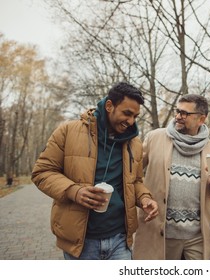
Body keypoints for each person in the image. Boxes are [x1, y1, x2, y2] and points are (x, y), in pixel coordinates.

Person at [31, 82, 159, 260]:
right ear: (109, 106)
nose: (131, 121)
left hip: (120, 240)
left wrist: (145, 198)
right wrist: (74, 191)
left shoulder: (134, 143)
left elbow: (135, 181)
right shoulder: (68, 131)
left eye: (135, 116)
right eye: (127, 113)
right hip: (81, 242)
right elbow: (42, 172)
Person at [133, 94, 210, 260]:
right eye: (177, 111)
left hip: (197, 236)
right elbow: (133, 173)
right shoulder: (155, 138)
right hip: (160, 231)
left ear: (201, 119)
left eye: (184, 113)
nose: (178, 117)